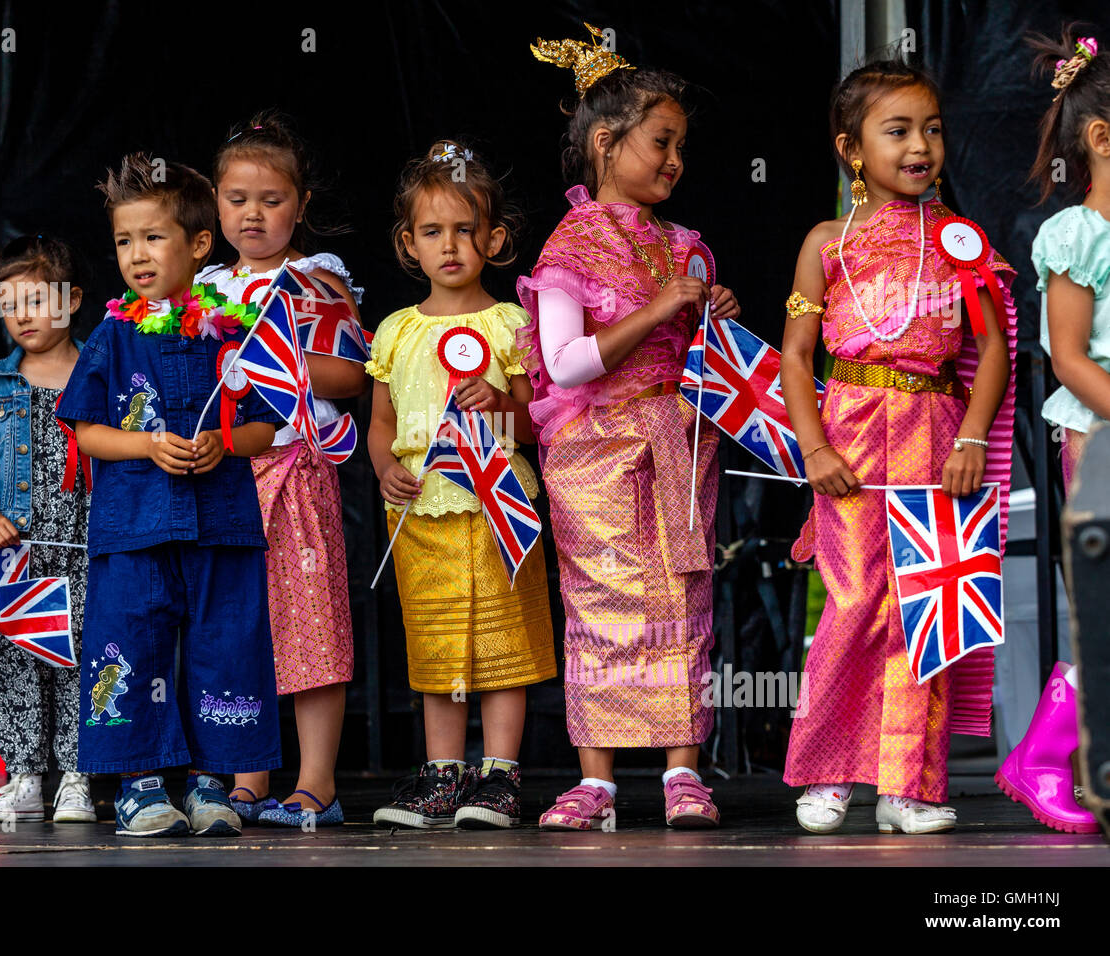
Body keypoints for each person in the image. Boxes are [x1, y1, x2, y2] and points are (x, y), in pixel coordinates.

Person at [779, 58, 1015, 834]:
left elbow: (993, 348)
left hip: (936, 441)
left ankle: (908, 785)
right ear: (853, 149)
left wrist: (973, 435)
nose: (922, 146)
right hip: (846, 442)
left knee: (927, 610)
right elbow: (796, 355)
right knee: (850, 606)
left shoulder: (959, 239)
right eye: (899, 130)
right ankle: (827, 773)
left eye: (933, 129)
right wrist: (813, 449)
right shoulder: (826, 242)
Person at [520, 25, 739, 830]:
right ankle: (600, 779)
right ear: (607, 144)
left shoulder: (687, 248)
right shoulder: (569, 244)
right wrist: (658, 311)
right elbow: (568, 361)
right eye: (661, 142)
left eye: (681, 145)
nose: (675, 161)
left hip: (676, 439)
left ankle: (685, 769)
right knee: (603, 601)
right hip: (595, 447)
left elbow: (706, 350)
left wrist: (713, 311)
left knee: (685, 593)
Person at [56, 154, 283, 837]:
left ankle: (215, 783)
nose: (137, 255)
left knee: (227, 645)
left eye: (153, 238)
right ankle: (140, 783)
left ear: (199, 245)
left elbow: (267, 424)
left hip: (223, 523)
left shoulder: (234, 330)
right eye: (125, 241)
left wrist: (226, 443)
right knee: (129, 646)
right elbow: (88, 432)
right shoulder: (111, 334)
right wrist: (148, 446)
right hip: (133, 527)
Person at [367, 141, 556, 830]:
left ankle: (499, 777)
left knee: (502, 643)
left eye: (465, 230)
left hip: (498, 505)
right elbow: (380, 422)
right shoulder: (394, 330)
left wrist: (500, 407)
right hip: (422, 514)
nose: (449, 246)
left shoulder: (511, 324)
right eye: (432, 232)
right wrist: (384, 465)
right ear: (408, 243)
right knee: (440, 642)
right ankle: (443, 774)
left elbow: (538, 423)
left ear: (495, 238)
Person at [196, 113, 366, 827]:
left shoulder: (316, 280)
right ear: (216, 205)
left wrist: (279, 363)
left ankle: (318, 782)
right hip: (223, 472)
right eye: (237, 199)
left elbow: (353, 374)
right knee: (238, 629)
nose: (253, 213)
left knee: (310, 624)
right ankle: (247, 777)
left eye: (270, 199)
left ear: (299, 205)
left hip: (294, 464)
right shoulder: (202, 286)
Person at [994, 27, 1107, 835]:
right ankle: (1040, 757)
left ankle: (1051, 755)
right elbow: (1066, 358)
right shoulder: (1076, 235)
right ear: (1100, 138)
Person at [0, 235, 95, 824]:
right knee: (14, 656)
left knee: (82, 655)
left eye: (36, 301)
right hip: (15, 552)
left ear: (73, 299)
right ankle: (23, 778)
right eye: (9, 305)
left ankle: (78, 778)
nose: (22, 317)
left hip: (86, 543)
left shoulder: (98, 372)